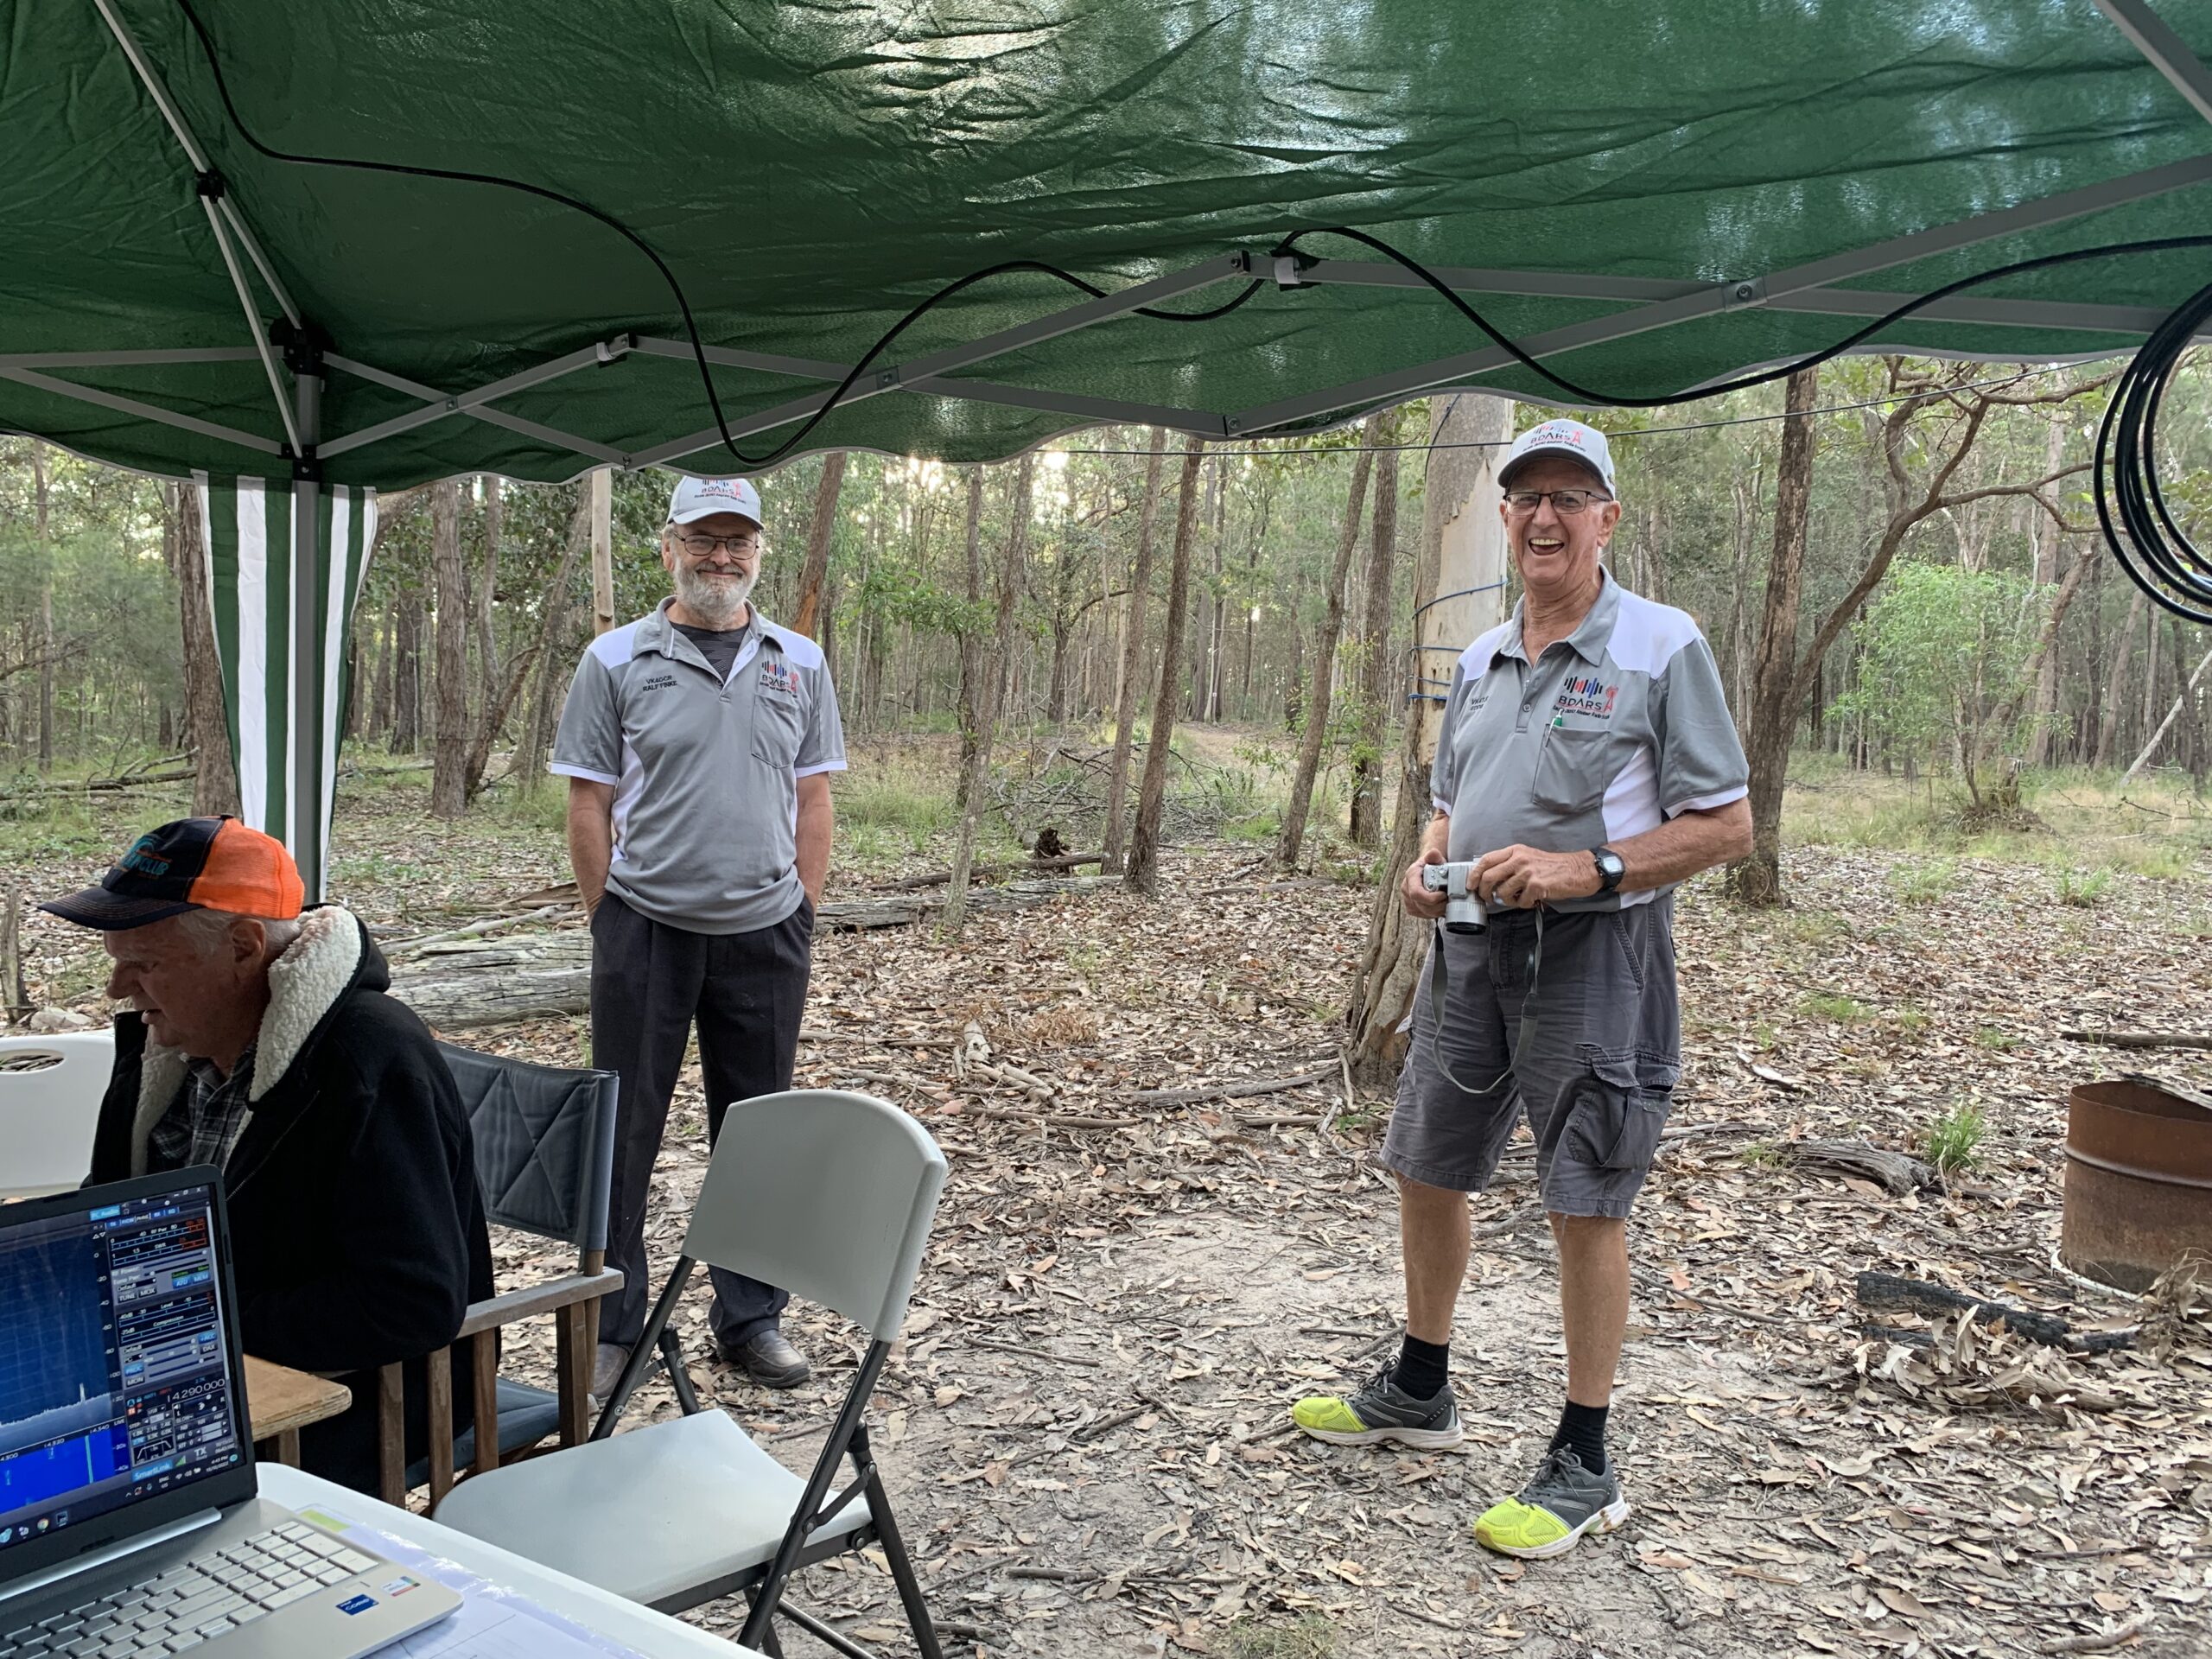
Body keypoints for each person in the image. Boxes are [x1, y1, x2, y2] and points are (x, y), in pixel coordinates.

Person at [1291, 418, 1751, 1559]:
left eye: (1569, 497)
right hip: (1467, 945)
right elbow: (1450, 797)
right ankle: (1418, 1389)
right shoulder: (1488, 656)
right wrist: (1428, 857)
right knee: (1427, 1160)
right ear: (1503, 517)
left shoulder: (1659, 644)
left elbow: (1727, 823)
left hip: (1597, 957)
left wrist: (1584, 868)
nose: (1544, 516)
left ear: (1608, 519)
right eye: (1525, 497)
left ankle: (1585, 1461)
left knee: (1583, 1191)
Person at [48, 816, 494, 1494]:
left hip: (348, 1400)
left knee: (69, 1491)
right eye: (116, 962)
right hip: (176, 1369)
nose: (118, 989)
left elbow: (409, 1304)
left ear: (243, 947)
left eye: (143, 964)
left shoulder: (367, 1060)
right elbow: (107, 1200)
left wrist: (191, 1322)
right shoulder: (168, 1043)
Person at [552, 474, 845, 1396]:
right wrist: (610, 918)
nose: (722, 558)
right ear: (669, 546)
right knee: (622, 1130)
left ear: (759, 552)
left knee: (757, 1131)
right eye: (704, 540)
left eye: (739, 543)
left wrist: (802, 904)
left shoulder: (798, 660)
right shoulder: (614, 659)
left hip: (764, 933)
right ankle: (613, 1323)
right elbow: (588, 799)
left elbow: (814, 793)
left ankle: (750, 1319)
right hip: (646, 928)